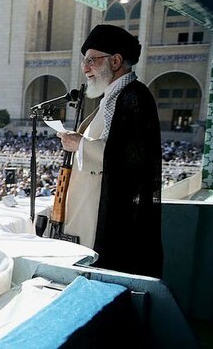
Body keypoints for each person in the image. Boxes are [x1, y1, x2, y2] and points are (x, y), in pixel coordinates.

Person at [57, 24, 163, 278]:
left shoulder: (133, 97)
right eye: (85, 61)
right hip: (91, 207)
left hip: (110, 216)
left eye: (92, 60)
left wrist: (79, 144)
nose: (85, 68)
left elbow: (133, 159)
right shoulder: (113, 96)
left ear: (115, 61)